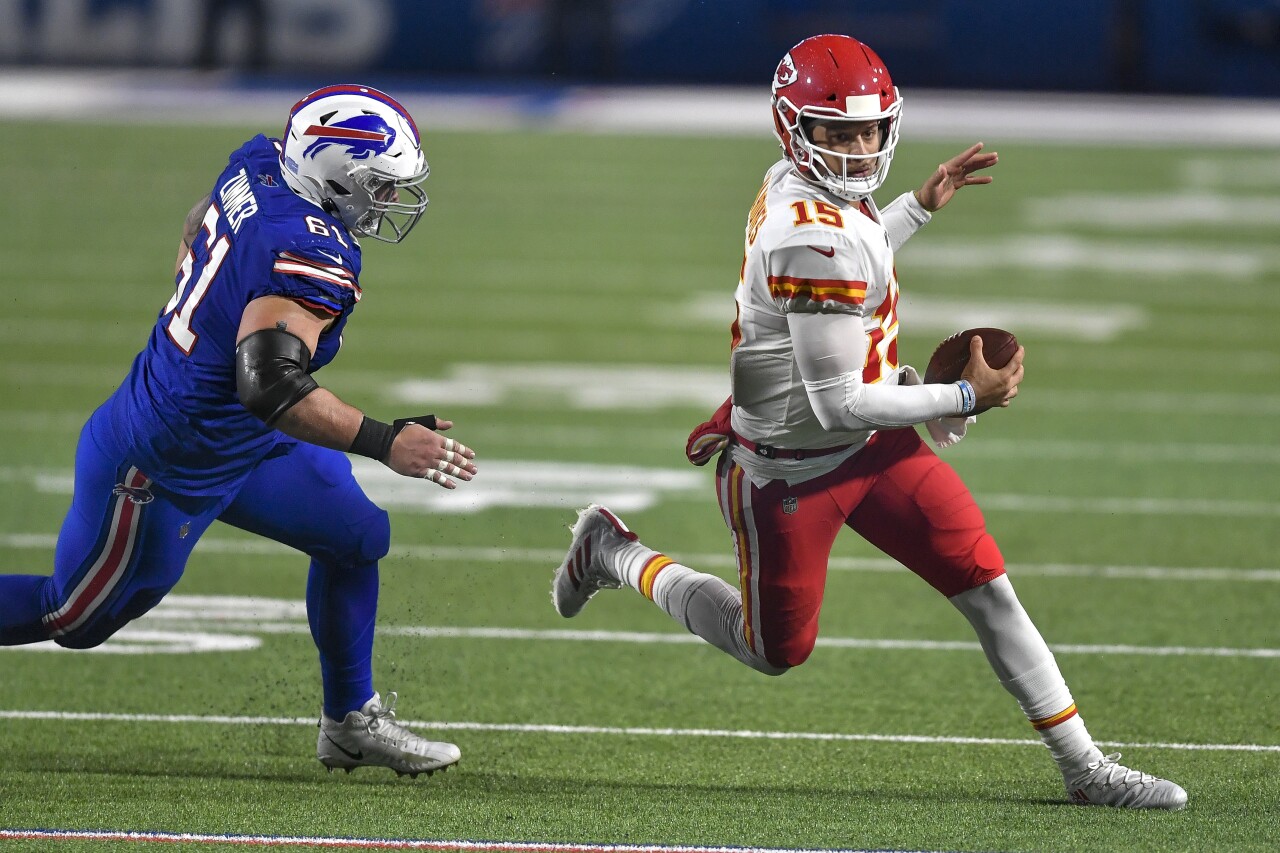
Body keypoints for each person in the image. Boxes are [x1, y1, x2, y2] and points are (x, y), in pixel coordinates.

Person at [551, 35, 1187, 809]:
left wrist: (915, 208)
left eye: (869, 131)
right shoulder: (807, 236)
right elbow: (838, 399)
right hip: (792, 466)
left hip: (872, 447)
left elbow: (858, 251)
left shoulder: (804, 191)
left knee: (989, 589)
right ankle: (613, 551)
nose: (858, 150)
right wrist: (963, 399)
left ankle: (1084, 766)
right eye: (837, 133)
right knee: (772, 649)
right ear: (795, 130)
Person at [0, 85, 476, 778]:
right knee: (72, 617)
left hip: (239, 438)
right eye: (379, 184)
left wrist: (206, 309)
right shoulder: (310, 251)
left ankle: (349, 721)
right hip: (167, 458)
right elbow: (273, 387)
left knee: (356, 537)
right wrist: (385, 440)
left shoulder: (260, 162)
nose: (387, 202)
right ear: (337, 171)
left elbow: (199, 223)